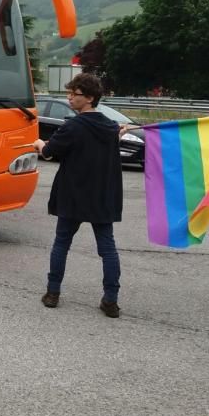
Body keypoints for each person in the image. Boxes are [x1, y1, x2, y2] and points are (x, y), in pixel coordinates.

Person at [33, 73, 125, 318]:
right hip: (102, 196)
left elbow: (51, 153)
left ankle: (53, 293)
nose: (70, 98)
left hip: (73, 195)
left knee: (61, 243)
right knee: (108, 248)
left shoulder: (72, 126)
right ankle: (111, 300)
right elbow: (106, 142)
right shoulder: (110, 127)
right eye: (70, 93)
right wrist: (118, 134)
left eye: (75, 94)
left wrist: (39, 143)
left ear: (90, 98)